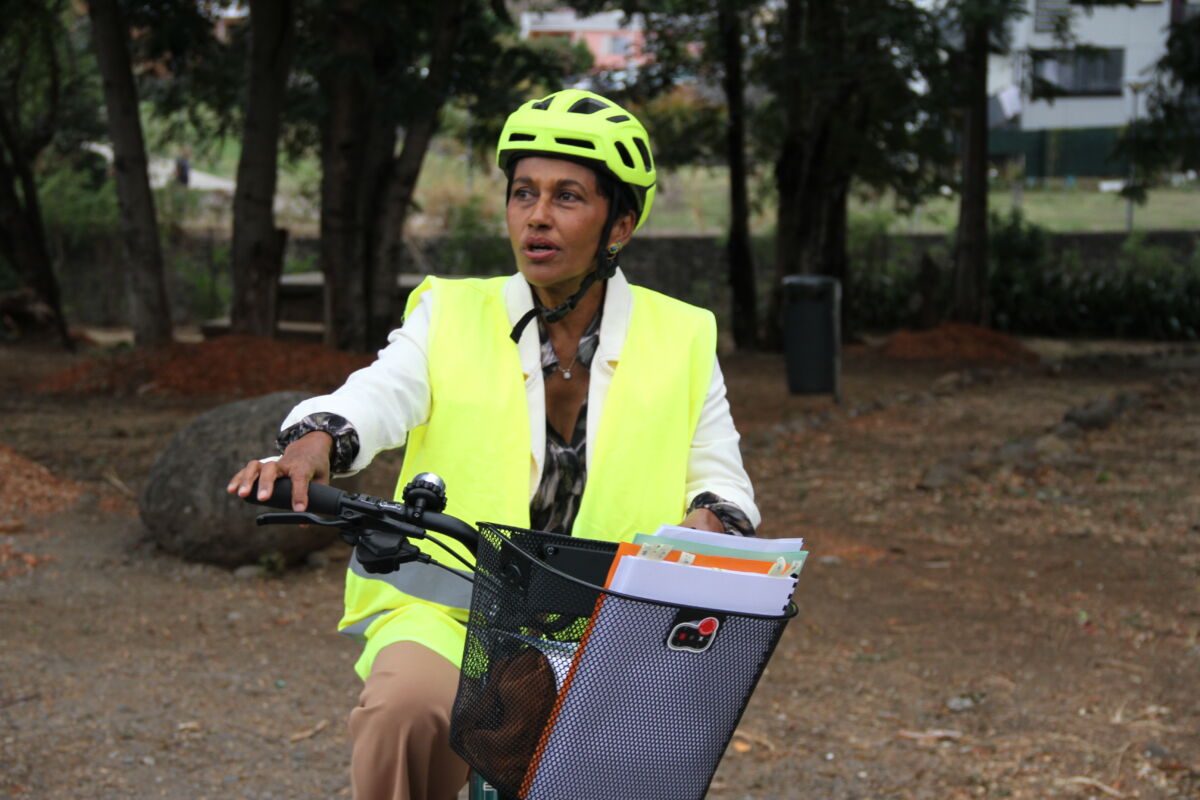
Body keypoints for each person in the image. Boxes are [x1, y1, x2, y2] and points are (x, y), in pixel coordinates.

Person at [226, 89, 759, 800]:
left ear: (621, 224)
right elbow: (381, 391)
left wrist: (707, 522)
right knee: (404, 710)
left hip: (605, 626)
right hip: (449, 606)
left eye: (567, 197)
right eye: (523, 193)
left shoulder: (683, 336)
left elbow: (721, 474)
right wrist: (317, 439)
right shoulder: (450, 311)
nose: (537, 215)